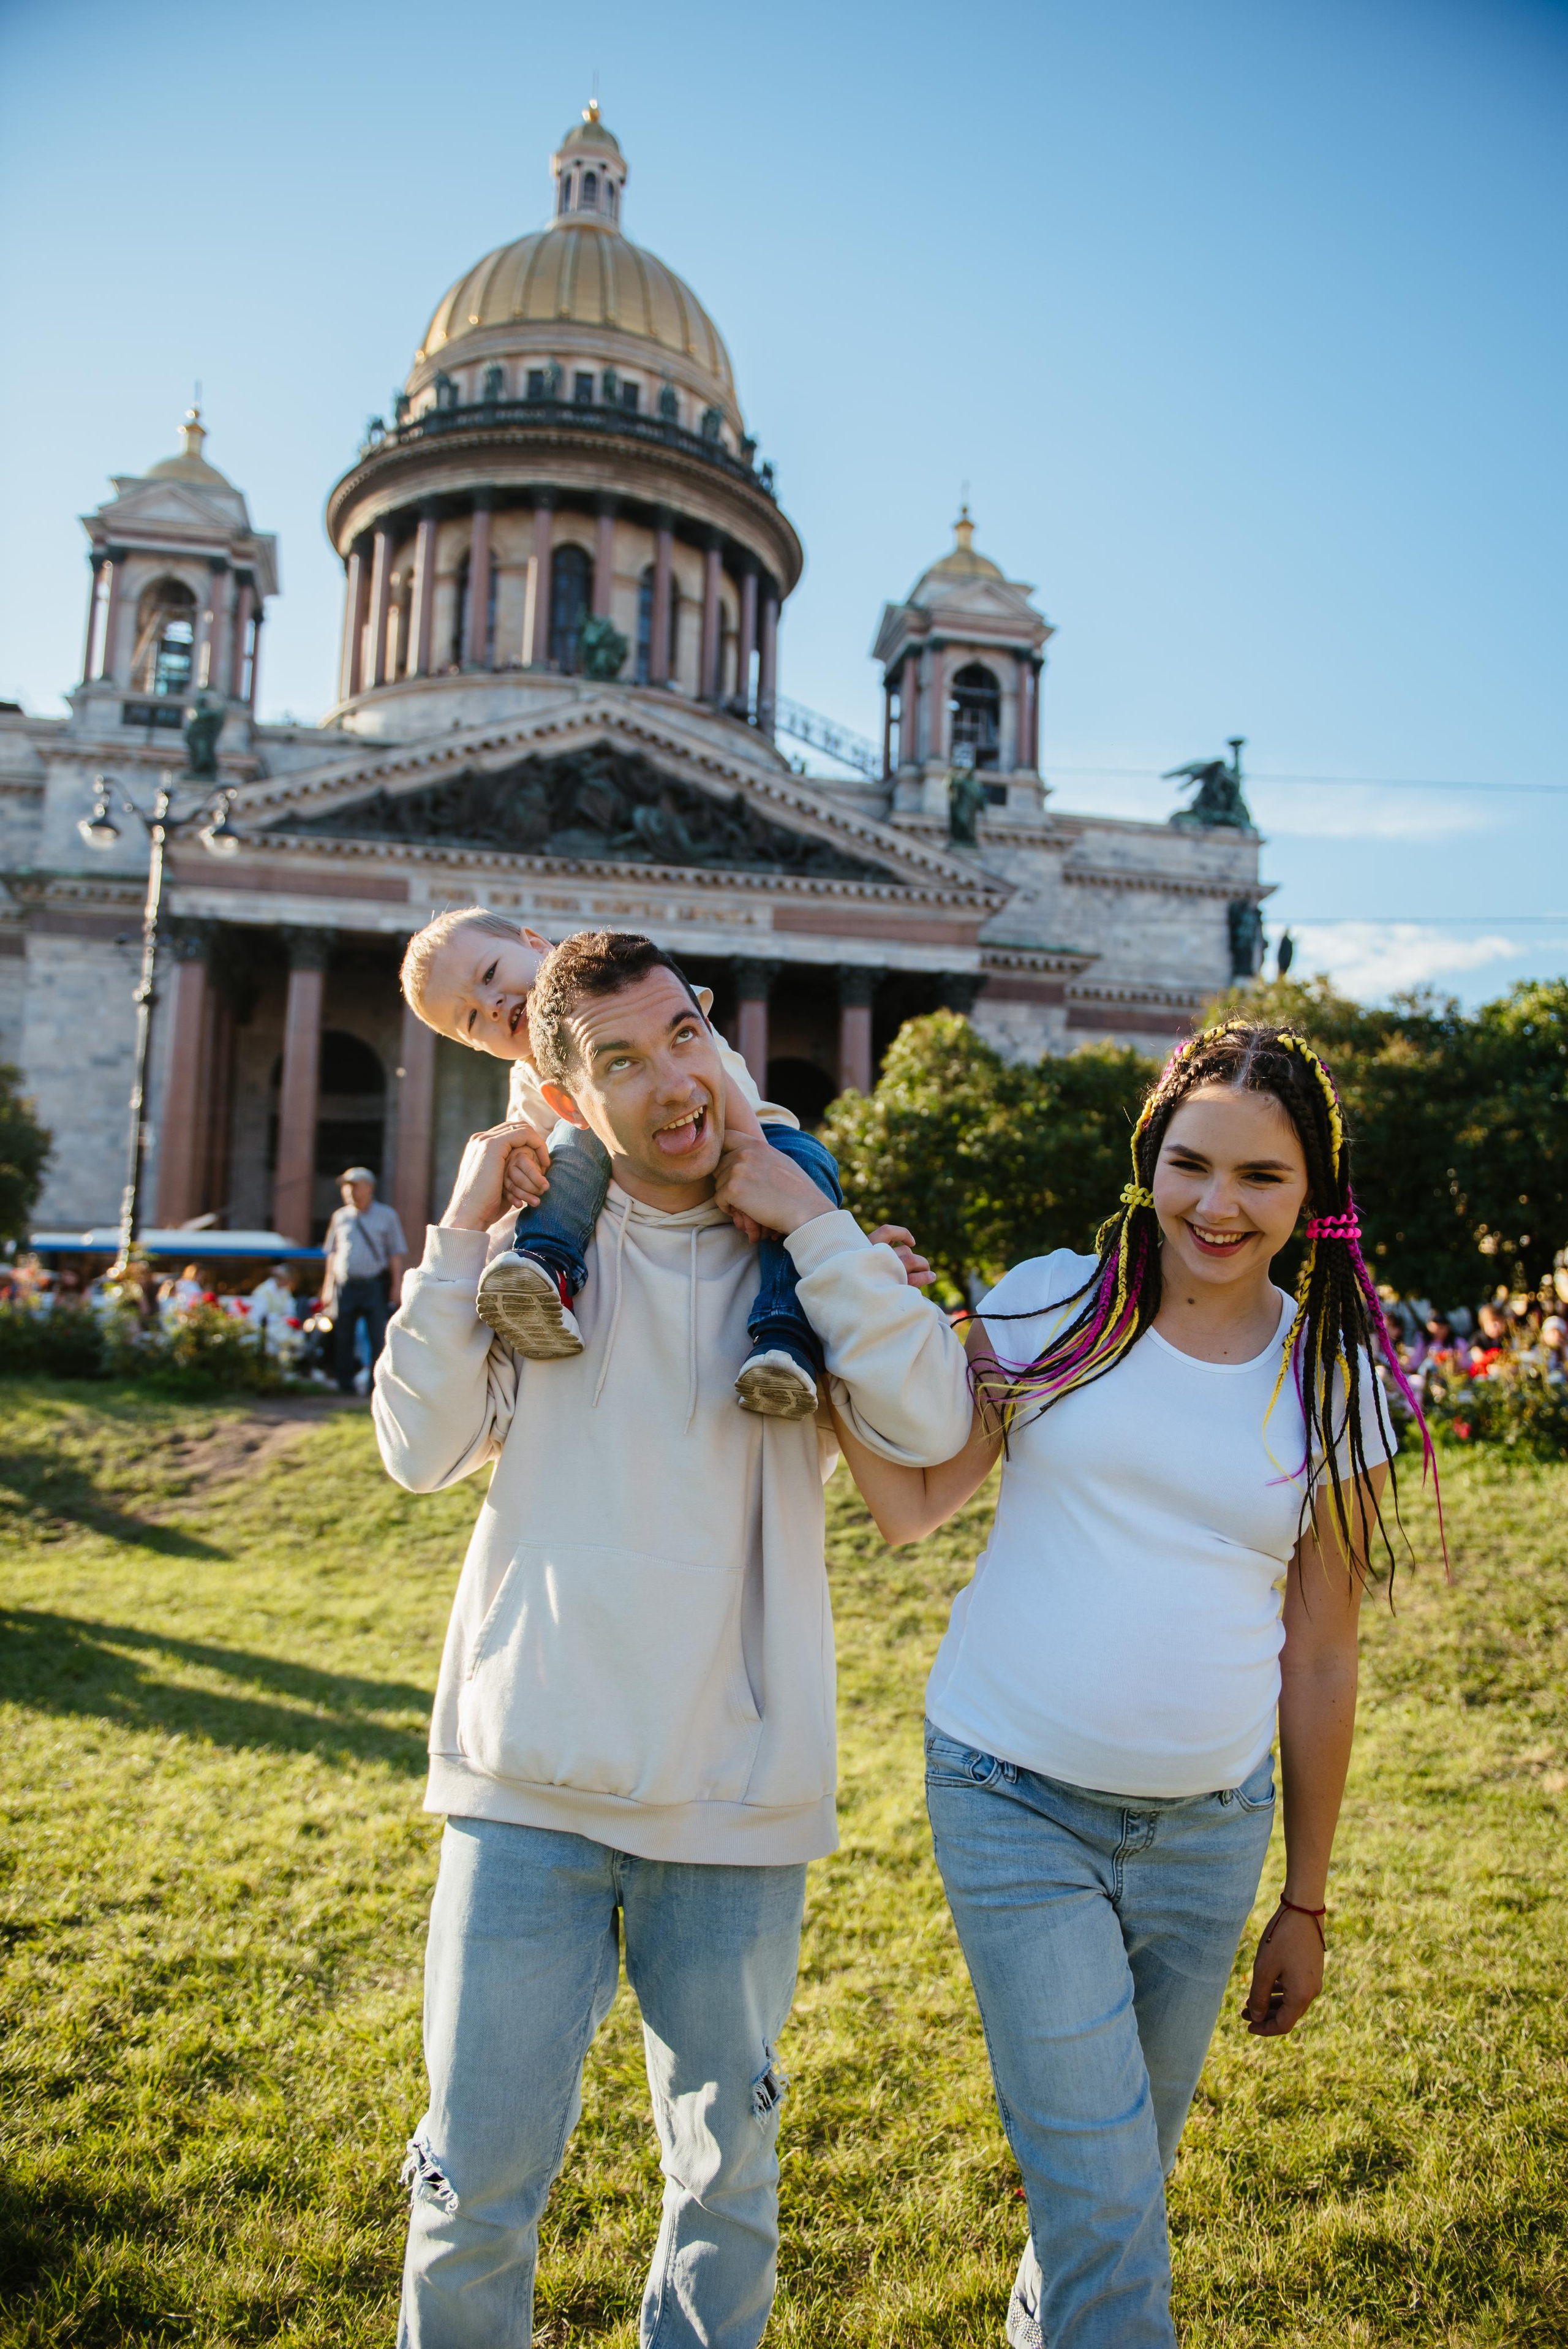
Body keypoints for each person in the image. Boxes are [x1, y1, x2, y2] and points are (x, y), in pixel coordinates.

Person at [372, 928, 971, 2349]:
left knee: (728, 2186)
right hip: (528, 1786)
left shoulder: (811, 1248)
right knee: (471, 2184)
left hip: (735, 1792)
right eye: (620, 1063)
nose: (667, 1081)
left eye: (681, 1038)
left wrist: (818, 1232)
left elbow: (934, 1423)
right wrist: (459, 1239)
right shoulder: (535, 1261)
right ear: (566, 1095)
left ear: (715, 1035)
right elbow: (417, 1448)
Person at [835, 1020, 1437, 2349]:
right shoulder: (1055, 1297)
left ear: (1310, 1196)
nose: (1216, 1206)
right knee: (1107, 2211)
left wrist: (1306, 1899)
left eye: (1259, 1178)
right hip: (1007, 1797)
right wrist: (843, 1348)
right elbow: (916, 1504)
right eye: (1189, 1164)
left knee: (1109, 2190)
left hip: (1205, 1837)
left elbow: (1325, 1652)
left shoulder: (1331, 1376)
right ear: (1147, 1161)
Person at [398, 906, 837, 1421]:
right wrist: (518, 1164)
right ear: (474, 1046)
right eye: (471, 1019)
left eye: (490, 974)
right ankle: (544, 1274)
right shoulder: (528, 1080)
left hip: (753, 1135)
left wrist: (759, 1172)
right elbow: (532, 1148)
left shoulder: (637, 997)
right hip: (632, 1158)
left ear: (537, 944)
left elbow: (721, 1094)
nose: (492, 1004)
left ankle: (784, 1338)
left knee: (810, 1163)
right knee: (579, 1130)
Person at [322, 1167, 408, 1395]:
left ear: (369, 1187)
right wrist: (327, 1288)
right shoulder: (340, 1217)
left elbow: (396, 1253)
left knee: (377, 1336)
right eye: (346, 1187)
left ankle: (376, 1385)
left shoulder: (387, 1216)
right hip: (345, 1285)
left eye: (354, 1186)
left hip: (374, 1285)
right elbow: (332, 1254)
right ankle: (344, 1386)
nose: (349, 1191)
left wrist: (396, 1286)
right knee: (343, 1337)